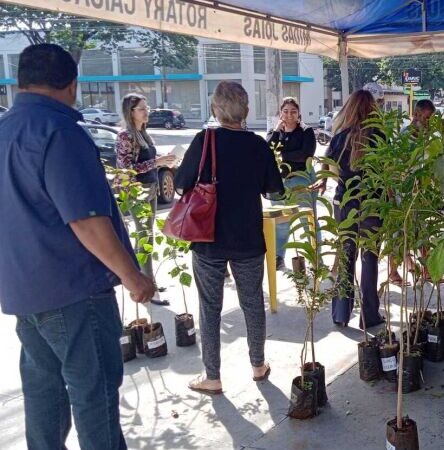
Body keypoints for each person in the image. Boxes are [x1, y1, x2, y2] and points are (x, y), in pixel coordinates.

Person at [0, 43, 155, 450]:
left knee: (44, 394)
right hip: (73, 291)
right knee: (95, 395)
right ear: (72, 85)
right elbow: (86, 221)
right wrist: (133, 276)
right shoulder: (61, 132)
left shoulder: (5, 130)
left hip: (24, 292)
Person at [175, 81, 284, 394]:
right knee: (253, 303)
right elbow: (274, 190)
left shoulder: (203, 140)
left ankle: (212, 376)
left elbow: (182, 183)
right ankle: (258, 365)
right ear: (246, 111)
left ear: (214, 109)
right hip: (249, 237)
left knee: (210, 307)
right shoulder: (258, 145)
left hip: (208, 239)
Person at [313, 90, 385, 329]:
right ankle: (370, 315)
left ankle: (341, 314)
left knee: (346, 257)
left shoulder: (339, 137)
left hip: (345, 202)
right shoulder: (380, 136)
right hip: (373, 203)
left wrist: (325, 181)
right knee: (370, 258)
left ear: (350, 108)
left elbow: (327, 165)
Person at [116, 93, 177, 305]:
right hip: (137, 191)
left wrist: (162, 160)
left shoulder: (143, 133)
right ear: (130, 112)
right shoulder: (126, 136)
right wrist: (156, 162)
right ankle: (143, 285)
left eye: (146, 107)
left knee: (148, 237)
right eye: (142, 108)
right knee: (144, 239)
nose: (147, 111)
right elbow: (126, 169)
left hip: (150, 188)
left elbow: (148, 161)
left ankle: (147, 280)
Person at [267, 97, 320, 270]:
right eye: (285, 111)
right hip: (279, 183)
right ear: (280, 113)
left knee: (308, 220)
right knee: (281, 223)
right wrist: (276, 130)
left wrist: (282, 156)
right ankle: (278, 256)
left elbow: (305, 155)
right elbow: (267, 152)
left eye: (293, 112)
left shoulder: (306, 131)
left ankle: (316, 257)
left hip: (301, 180)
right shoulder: (275, 132)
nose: (289, 115)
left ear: (299, 114)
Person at [388, 99, 436, 286]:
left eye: (431, 119)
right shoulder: (404, 137)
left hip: (421, 193)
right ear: (415, 115)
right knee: (399, 234)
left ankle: (427, 270)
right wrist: (392, 193)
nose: (428, 122)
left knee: (423, 233)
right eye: (426, 118)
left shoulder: (428, 138)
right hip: (402, 193)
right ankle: (393, 272)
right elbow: (393, 167)